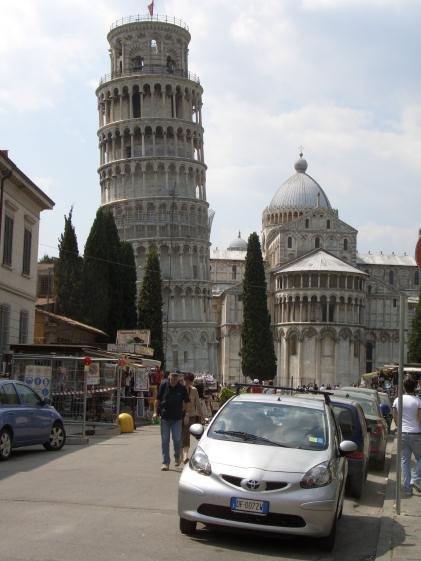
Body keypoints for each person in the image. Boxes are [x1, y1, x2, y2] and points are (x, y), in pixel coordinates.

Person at [153, 371, 189, 471]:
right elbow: (158, 399)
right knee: (165, 441)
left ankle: (177, 456)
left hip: (177, 418)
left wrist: (186, 414)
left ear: (178, 378)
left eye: (176, 377)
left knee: (177, 439)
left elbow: (186, 402)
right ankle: (165, 463)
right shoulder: (164, 385)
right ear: (169, 376)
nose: (174, 378)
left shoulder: (181, 388)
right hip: (165, 417)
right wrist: (155, 412)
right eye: (172, 376)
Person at [392, 376, 421, 496]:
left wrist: (400, 427)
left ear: (403, 387)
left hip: (402, 434)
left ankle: (407, 489)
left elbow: (395, 417)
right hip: (416, 434)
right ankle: (415, 478)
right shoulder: (418, 401)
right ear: (415, 387)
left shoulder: (397, 400)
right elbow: (420, 419)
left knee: (405, 461)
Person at [181, 373, 204, 464]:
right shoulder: (180, 389)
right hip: (181, 416)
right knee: (181, 436)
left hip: (192, 416)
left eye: (190, 381)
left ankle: (185, 456)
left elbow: (198, 404)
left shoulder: (194, 390)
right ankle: (182, 456)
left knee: (186, 436)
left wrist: (202, 416)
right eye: (186, 381)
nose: (187, 383)